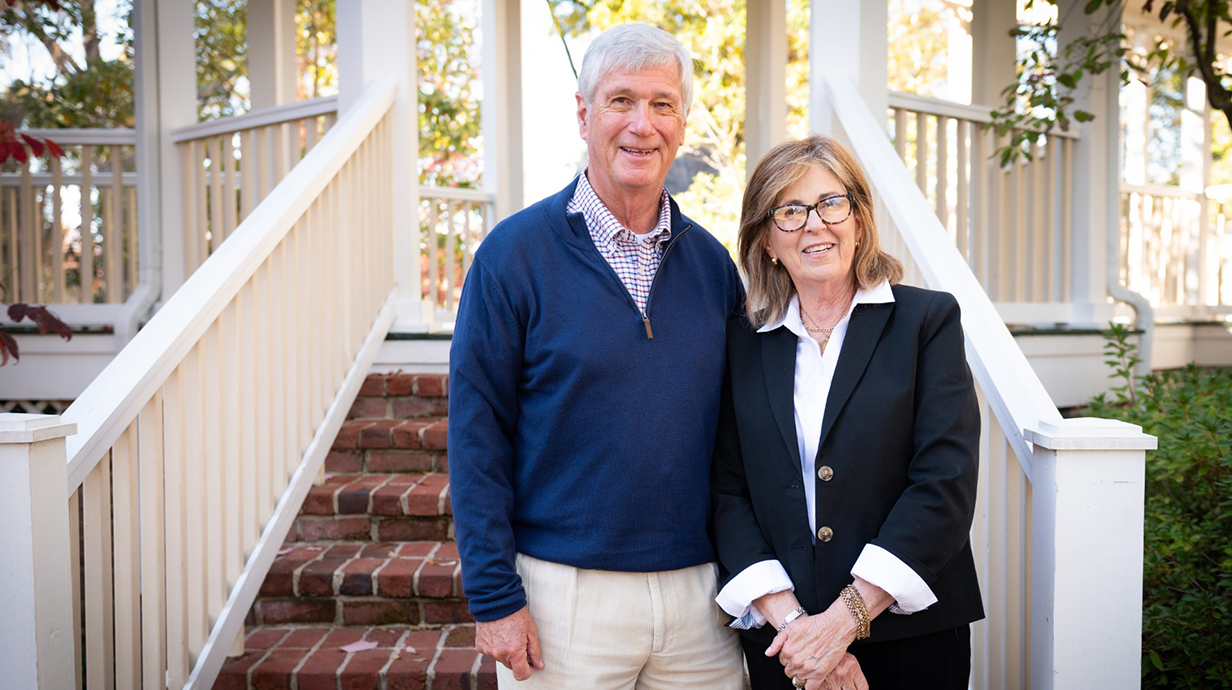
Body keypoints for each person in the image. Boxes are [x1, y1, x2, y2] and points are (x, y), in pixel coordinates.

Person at [448, 23, 746, 689]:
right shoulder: (512, 257)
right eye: (621, 101)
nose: (642, 125)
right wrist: (495, 596)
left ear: (683, 120)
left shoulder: (713, 267)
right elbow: (477, 438)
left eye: (662, 104)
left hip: (701, 598)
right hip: (564, 597)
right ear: (584, 115)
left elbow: (740, 434)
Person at [711, 134, 984, 690]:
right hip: (785, 645)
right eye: (789, 211)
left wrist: (841, 625)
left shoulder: (926, 323)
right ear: (766, 240)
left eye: (831, 203)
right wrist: (799, 628)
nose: (814, 224)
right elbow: (727, 494)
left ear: (859, 219)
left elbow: (944, 484)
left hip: (912, 637)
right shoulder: (742, 344)